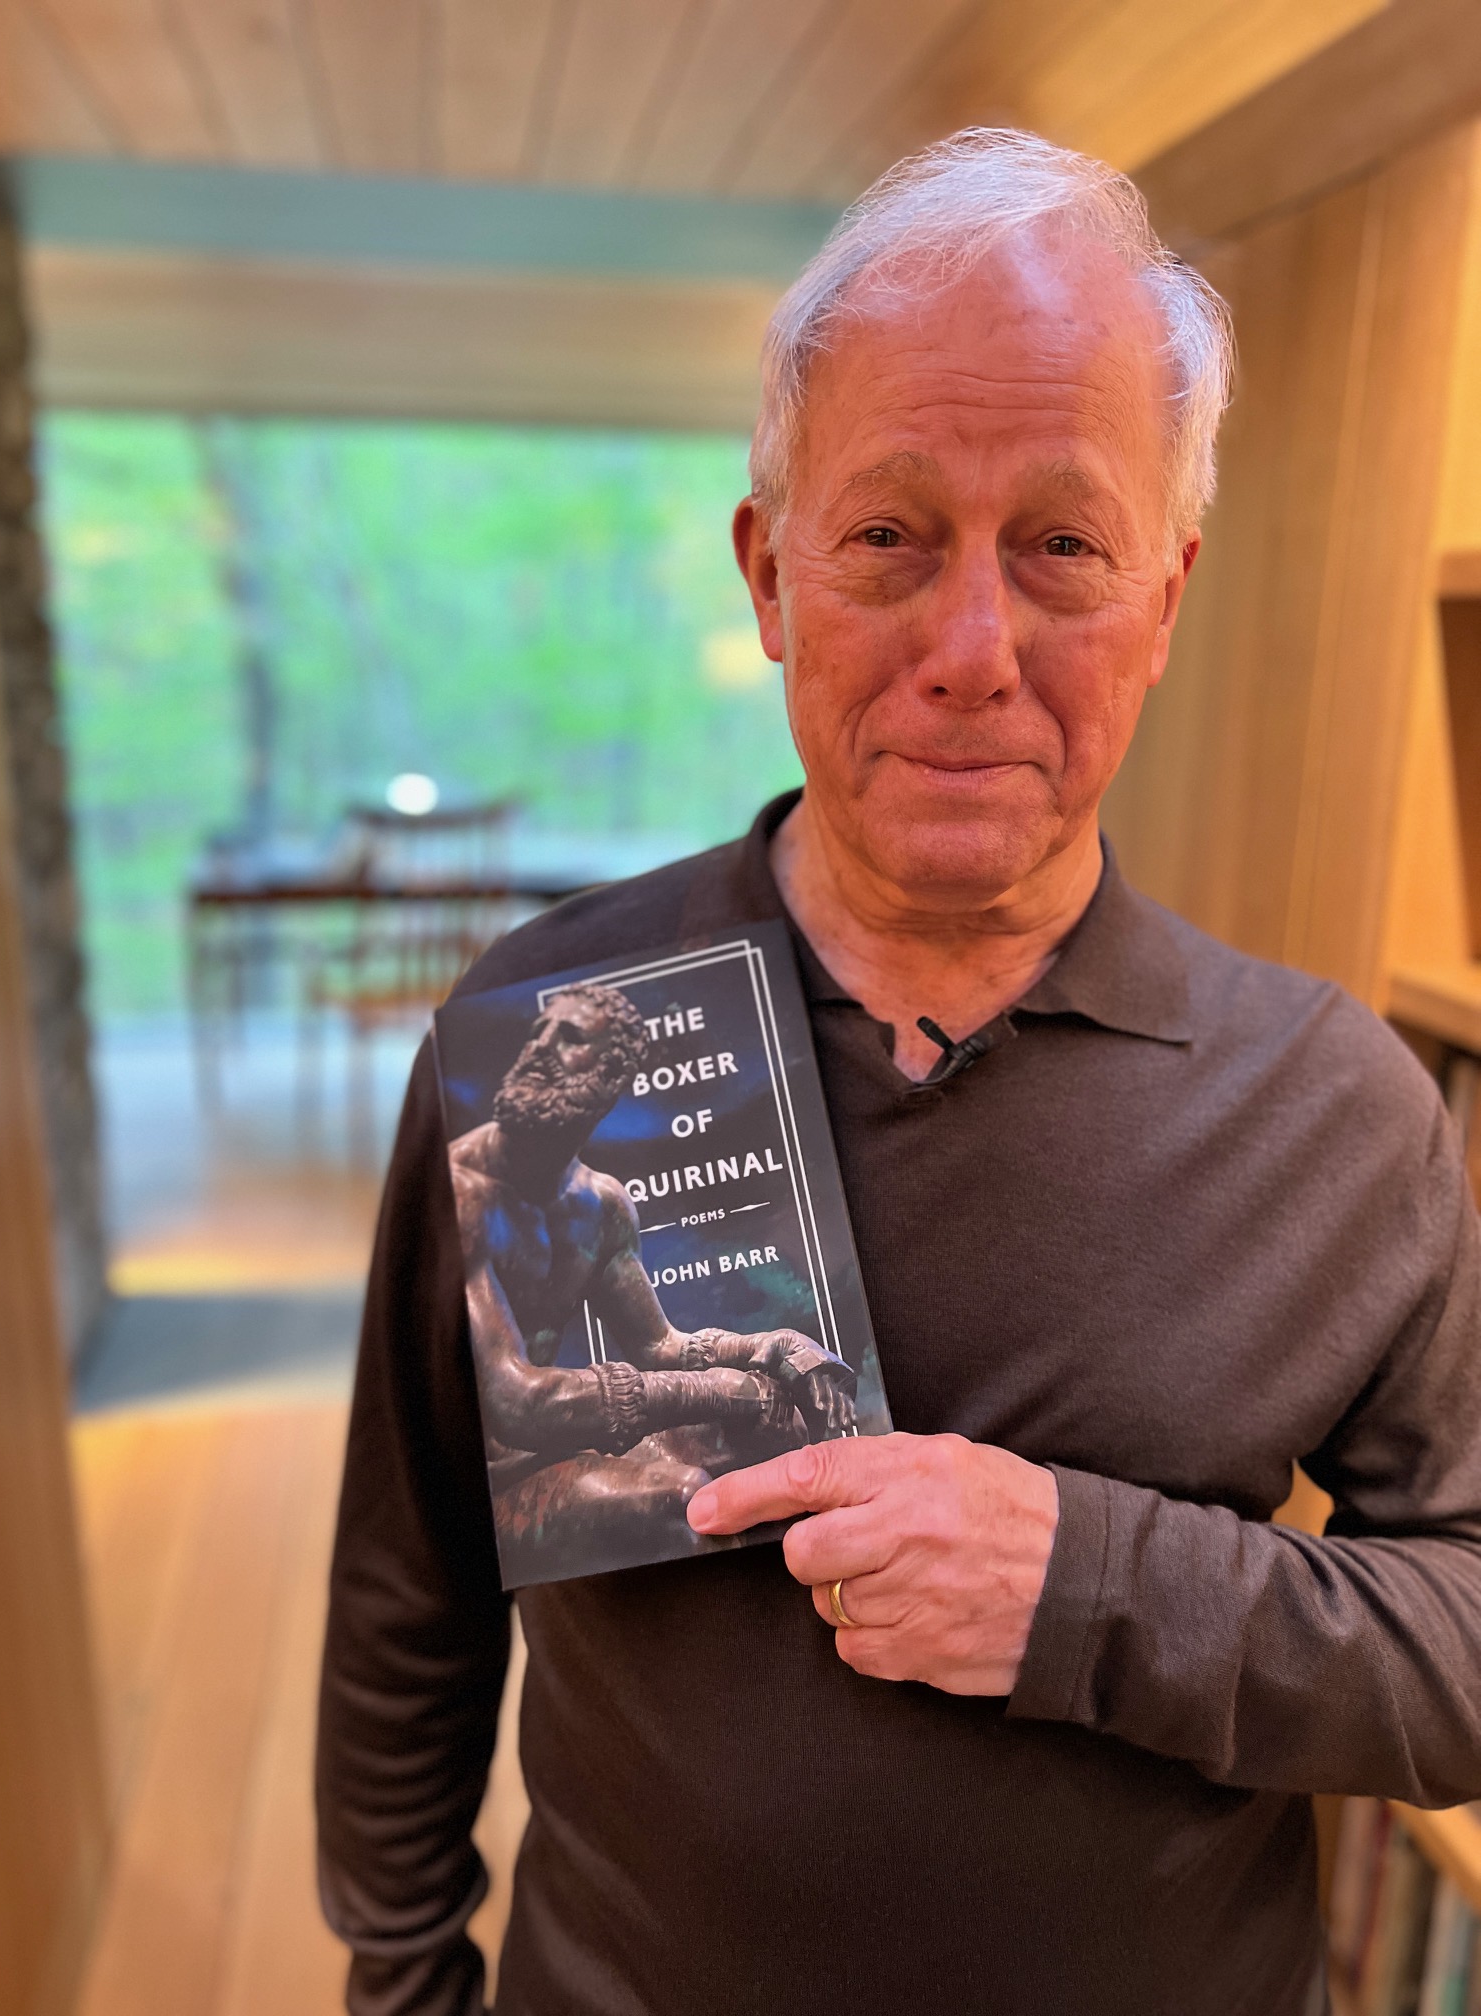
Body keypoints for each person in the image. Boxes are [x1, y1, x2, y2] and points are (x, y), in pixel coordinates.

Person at [316, 129, 1481, 2016]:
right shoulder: (549, 1036)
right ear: (771, 575)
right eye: (886, 537)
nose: (968, 650)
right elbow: (409, 1585)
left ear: (1164, 596)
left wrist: (1080, 1584)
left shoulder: (1331, 1110)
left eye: (1061, 547)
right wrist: (398, 1980)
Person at [447, 981, 856, 1580]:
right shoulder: (460, 1193)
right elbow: (516, 1402)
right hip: (492, 1482)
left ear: (612, 1078)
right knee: (681, 1498)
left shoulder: (601, 1205)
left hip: (569, 1445)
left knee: (781, 1428)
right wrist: (720, 1389)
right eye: (538, 1033)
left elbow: (659, 1346)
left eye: (568, 1037)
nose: (538, 1047)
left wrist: (779, 1346)